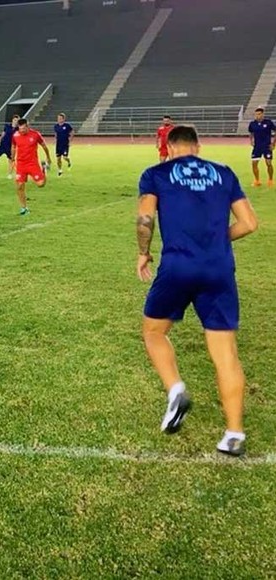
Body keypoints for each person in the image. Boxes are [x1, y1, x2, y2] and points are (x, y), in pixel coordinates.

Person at [136, 125, 258, 457]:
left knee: (154, 331)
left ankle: (176, 389)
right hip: (219, 269)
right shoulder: (224, 173)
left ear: (169, 147)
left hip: (177, 266)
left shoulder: (156, 173)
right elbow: (250, 223)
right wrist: (217, 241)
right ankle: (234, 434)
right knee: (225, 353)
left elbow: (145, 218)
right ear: (198, 147)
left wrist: (144, 252)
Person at [11, 118, 51, 215]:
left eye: (23, 129)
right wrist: (12, 159)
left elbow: (44, 146)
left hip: (32, 164)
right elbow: (13, 146)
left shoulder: (35, 134)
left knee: (41, 184)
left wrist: (48, 157)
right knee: (20, 186)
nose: (22, 131)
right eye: (20, 129)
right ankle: (24, 208)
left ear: (27, 126)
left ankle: (44, 168)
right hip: (21, 164)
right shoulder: (15, 135)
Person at [248, 107, 275, 188]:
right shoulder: (252, 124)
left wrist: (273, 143)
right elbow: (251, 133)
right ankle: (257, 181)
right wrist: (251, 140)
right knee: (254, 164)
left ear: (263, 114)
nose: (257, 116)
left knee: (269, 163)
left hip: (267, 146)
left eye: (259, 114)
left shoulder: (268, 122)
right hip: (257, 147)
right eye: (256, 114)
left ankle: (270, 180)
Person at [0, 115, 19, 179]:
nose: (16, 121)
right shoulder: (7, 126)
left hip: (11, 147)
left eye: (17, 121)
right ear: (12, 120)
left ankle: (10, 174)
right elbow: (3, 134)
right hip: (3, 145)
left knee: (11, 160)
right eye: (15, 120)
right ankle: (16, 168)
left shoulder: (18, 129)